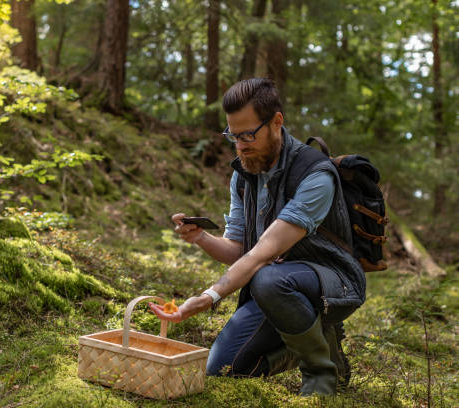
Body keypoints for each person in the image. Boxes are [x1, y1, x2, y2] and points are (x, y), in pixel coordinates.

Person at [149, 78, 366, 396]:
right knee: (222, 370)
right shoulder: (243, 175)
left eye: (248, 135)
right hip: (275, 287)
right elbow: (239, 250)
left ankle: (321, 375)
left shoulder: (315, 174)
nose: (240, 145)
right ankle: (320, 341)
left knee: (268, 279)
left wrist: (209, 297)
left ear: (277, 122)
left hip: (333, 284)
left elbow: (262, 254)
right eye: (233, 136)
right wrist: (201, 238)